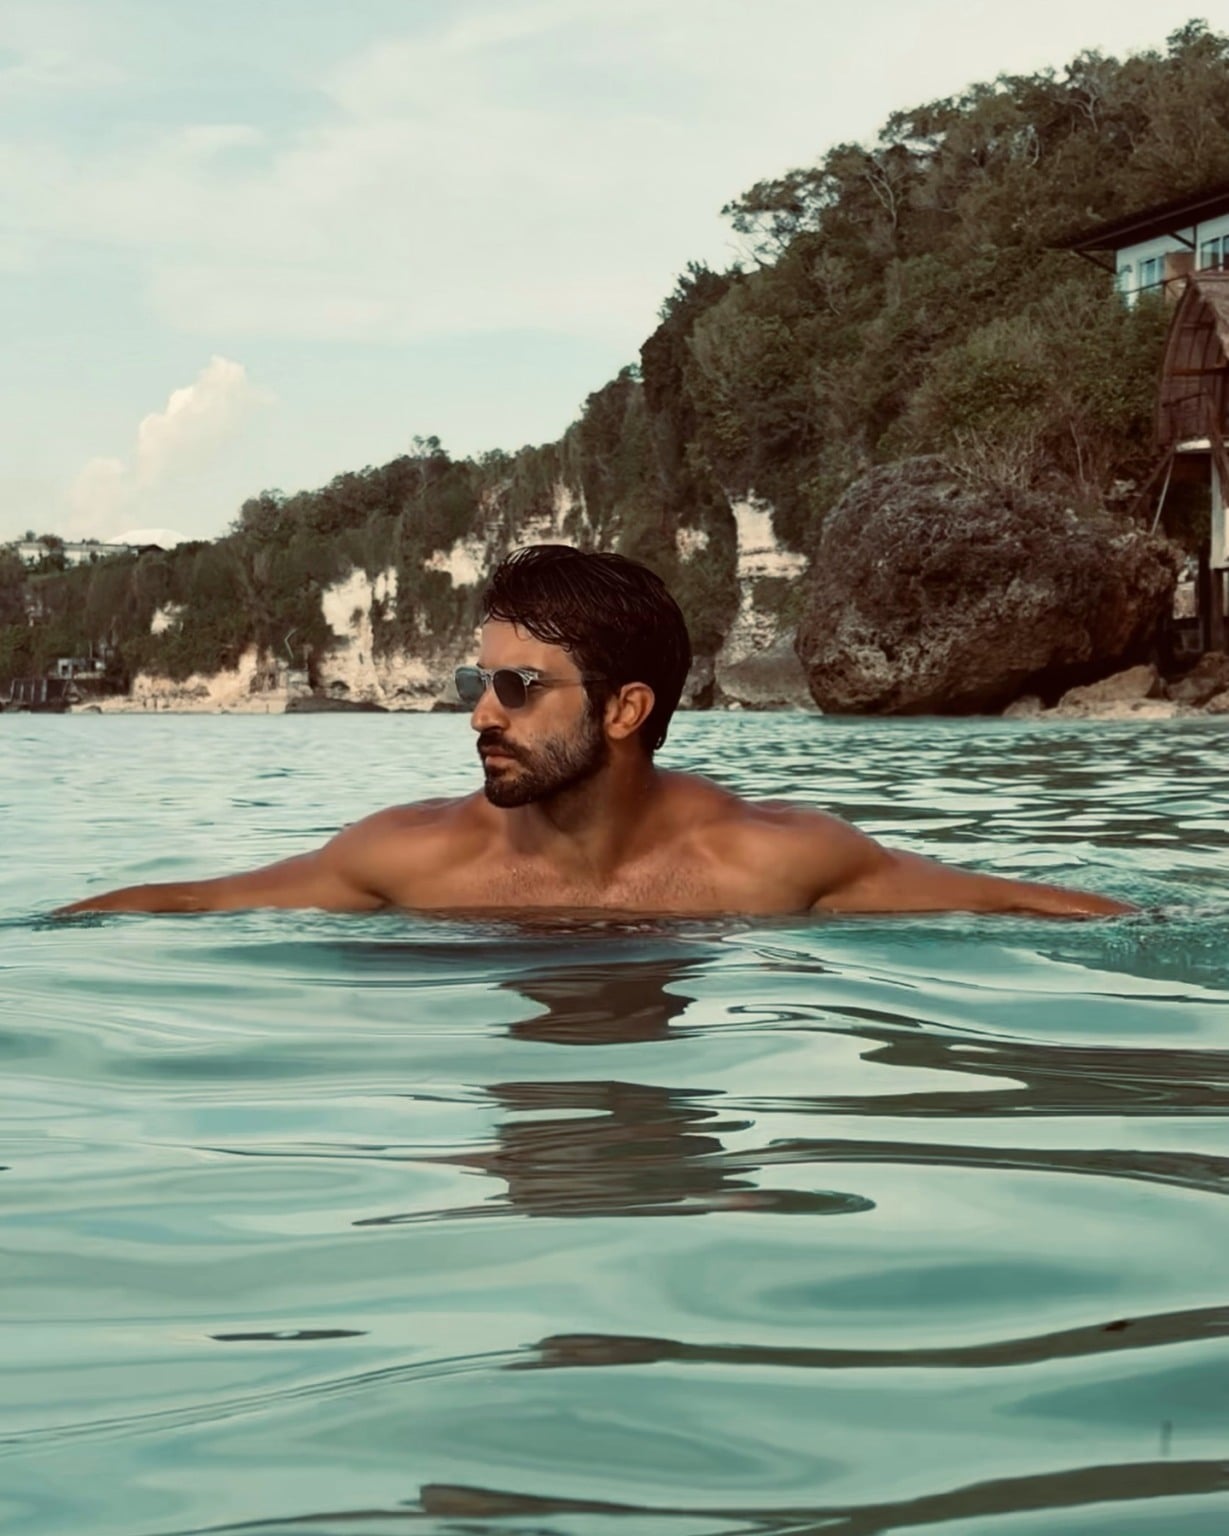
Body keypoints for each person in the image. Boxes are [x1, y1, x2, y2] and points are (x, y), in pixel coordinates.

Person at [59, 545, 1133, 920]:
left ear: (625, 710)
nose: (482, 713)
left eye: (518, 687)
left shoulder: (766, 863)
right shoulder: (411, 858)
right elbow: (196, 902)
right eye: (477, 683)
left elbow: (1013, 902)